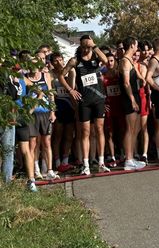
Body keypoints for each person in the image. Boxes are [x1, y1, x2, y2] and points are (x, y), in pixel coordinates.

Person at [59, 35, 110, 175]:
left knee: (100, 130)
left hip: (99, 99)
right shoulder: (75, 60)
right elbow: (61, 75)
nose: (86, 49)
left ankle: (101, 162)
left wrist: (94, 46)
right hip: (84, 101)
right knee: (85, 132)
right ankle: (86, 164)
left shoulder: (96, 58)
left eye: (88, 47)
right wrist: (70, 90)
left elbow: (106, 61)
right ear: (80, 46)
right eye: (84, 46)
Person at [119, 37, 146, 171]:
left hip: (135, 95)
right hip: (129, 98)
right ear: (131, 45)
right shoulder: (124, 61)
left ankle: (131, 157)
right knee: (130, 129)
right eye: (136, 45)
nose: (137, 47)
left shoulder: (130, 61)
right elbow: (126, 82)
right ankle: (128, 160)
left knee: (135, 128)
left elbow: (135, 77)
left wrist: (141, 78)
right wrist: (132, 100)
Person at [50, 52, 76, 173]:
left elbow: (73, 88)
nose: (59, 62)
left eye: (61, 60)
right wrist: (53, 110)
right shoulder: (50, 75)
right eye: (56, 61)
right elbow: (51, 94)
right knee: (58, 136)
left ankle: (65, 161)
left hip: (69, 106)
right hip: (58, 106)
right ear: (52, 63)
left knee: (69, 135)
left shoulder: (70, 72)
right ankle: (57, 162)